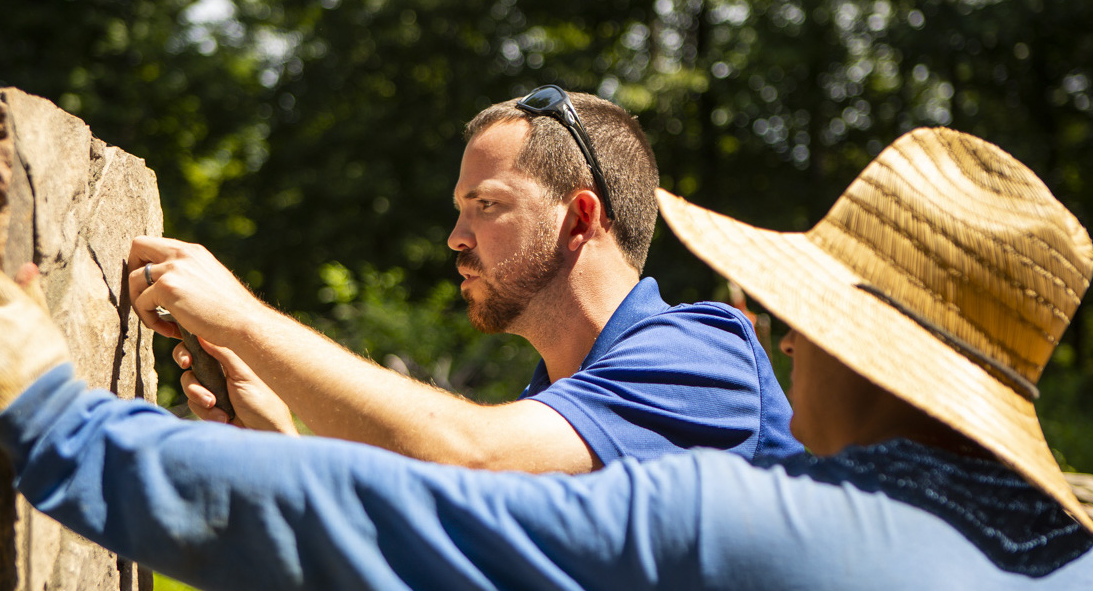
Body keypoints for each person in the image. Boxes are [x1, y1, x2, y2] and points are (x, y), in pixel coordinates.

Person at [0, 127, 1093, 591]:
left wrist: (58, 412)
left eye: (806, 319)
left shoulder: (734, 468)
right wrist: (280, 432)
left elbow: (450, 501)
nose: (778, 336)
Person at [127, 85, 801, 472]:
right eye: (459, 210)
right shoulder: (552, 407)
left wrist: (240, 317)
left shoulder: (705, 357)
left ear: (579, 218)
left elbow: (467, 455)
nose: (456, 237)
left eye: (487, 205)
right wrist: (283, 453)